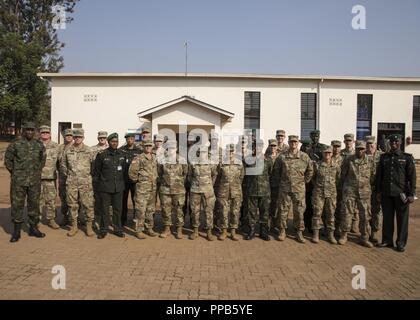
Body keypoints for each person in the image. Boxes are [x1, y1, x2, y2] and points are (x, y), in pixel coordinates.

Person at [5, 122, 46, 242]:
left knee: (34, 204)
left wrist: (36, 172)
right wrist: (16, 172)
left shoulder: (39, 145)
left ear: (35, 131)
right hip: (19, 181)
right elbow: (8, 160)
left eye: (32, 130)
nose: (29, 132)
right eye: (27, 130)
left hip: (34, 181)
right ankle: (16, 231)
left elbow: (42, 160)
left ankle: (33, 228)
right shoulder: (15, 144)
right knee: (17, 205)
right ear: (23, 130)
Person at [376, 134, 416, 252]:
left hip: (401, 194)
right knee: (387, 218)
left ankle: (401, 243)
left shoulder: (407, 158)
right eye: (392, 142)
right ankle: (387, 240)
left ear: (400, 143)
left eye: (396, 142)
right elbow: (380, 176)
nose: (393, 144)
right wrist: (378, 191)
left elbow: (412, 177)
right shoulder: (384, 157)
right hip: (387, 193)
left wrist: (411, 194)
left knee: (402, 219)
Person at [273, 135, 313, 243]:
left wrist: (304, 181)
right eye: (291, 142)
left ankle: (299, 232)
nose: (293, 144)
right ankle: (282, 230)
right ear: (289, 142)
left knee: (299, 211)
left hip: (299, 189)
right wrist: (280, 182)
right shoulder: (282, 156)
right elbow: (276, 171)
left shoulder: (304, 156)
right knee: (283, 210)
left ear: (298, 143)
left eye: (295, 142)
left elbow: (310, 170)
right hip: (285, 188)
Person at [338, 140, 375, 247]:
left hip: (364, 192)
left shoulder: (370, 161)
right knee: (347, 213)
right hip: (350, 191)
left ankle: (364, 237)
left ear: (365, 149)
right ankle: (344, 235)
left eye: (362, 149)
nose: (360, 151)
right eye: (358, 149)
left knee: (365, 215)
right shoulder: (349, 160)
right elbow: (343, 175)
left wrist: (366, 185)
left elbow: (373, 176)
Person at [61, 128, 95, 237]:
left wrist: (86, 176)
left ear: (83, 137)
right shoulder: (68, 150)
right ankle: (74, 226)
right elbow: (63, 166)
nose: (77, 139)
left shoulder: (89, 150)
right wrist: (71, 176)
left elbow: (94, 166)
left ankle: (89, 227)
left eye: (79, 137)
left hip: (85, 183)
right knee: (72, 205)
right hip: (71, 182)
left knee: (88, 204)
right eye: (75, 137)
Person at [94, 133, 126, 239]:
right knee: (105, 209)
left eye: (116, 141)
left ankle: (118, 229)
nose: (115, 143)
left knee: (118, 209)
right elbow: (96, 172)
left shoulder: (122, 154)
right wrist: (97, 188)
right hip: (105, 187)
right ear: (108, 142)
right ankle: (103, 229)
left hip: (118, 187)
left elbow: (124, 171)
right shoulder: (102, 155)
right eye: (112, 141)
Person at [157, 140, 188, 239]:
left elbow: (185, 173)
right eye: (169, 148)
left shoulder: (182, 160)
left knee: (179, 209)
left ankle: (179, 229)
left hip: (178, 190)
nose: (171, 150)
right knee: (166, 210)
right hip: (165, 190)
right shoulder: (162, 160)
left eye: (173, 148)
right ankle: (167, 228)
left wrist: (178, 182)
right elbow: (160, 173)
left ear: (176, 148)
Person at [129, 139, 158, 239]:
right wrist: (140, 181)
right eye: (146, 146)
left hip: (152, 188)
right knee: (140, 210)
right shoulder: (138, 158)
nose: (148, 147)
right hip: (142, 189)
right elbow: (132, 173)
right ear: (143, 147)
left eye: (150, 145)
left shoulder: (154, 157)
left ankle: (148, 228)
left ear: (152, 146)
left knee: (150, 209)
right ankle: (139, 230)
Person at [187, 145, 218, 241]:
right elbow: (190, 176)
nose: (202, 154)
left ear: (207, 153)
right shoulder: (193, 163)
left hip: (208, 191)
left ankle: (209, 232)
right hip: (195, 190)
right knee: (195, 211)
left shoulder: (211, 163)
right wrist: (195, 184)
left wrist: (209, 185)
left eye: (204, 152)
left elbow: (214, 175)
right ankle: (195, 231)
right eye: (200, 152)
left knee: (208, 211)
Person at [311, 146, 340, 244]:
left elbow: (339, 179)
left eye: (329, 153)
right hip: (319, 193)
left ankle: (330, 235)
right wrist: (318, 187)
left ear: (332, 154)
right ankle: (316, 234)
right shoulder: (317, 165)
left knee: (331, 214)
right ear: (322, 154)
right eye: (325, 153)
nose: (327, 155)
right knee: (317, 214)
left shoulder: (336, 166)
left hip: (331, 194)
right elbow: (312, 178)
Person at [244, 139, 272, 241]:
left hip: (264, 191)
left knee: (264, 212)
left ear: (262, 147)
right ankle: (251, 231)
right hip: (252, 190)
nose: (258, 148)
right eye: (256, 146)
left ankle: (263, 232)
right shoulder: (247, 159)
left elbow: (271, 174)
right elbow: (244, 174)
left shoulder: (268, 160)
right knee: (251, 212)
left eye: (260, 146)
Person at [215, 144, 244, 241]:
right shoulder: (221, 164)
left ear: (234, 152)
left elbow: (241, 177)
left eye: (232, 151)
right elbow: (217, 178)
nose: (230, 153)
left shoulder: (239, 163)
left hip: (236, 191)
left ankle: (233, 231)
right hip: (223, 191)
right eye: (228, 151)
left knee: (235, 211)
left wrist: (236, 186)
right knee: (223, 211)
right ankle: (224, 231)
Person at [38, 125, 60, 229]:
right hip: (37, 178)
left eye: (47, 132)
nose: (45, 134)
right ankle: (36, 220)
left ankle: (51, 220)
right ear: (40, 134)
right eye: (43, 133)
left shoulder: (56, 146)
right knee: (37, 200)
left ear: (50, 134)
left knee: (51, 200)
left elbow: (61, 162)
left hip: (51, 178)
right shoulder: (35, 145)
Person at [119, 132, 141, 226]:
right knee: (123, 202)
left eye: (131, 139)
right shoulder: (121, 150)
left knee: (136, 201)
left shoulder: (139, 151)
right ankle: (123, 220)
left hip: (134, 181)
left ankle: (135, 220)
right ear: (126, 140)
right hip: (123, 180)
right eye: (128, 139)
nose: (129, 140)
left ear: (134, 140)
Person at [365, 135, 383, 244]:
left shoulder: (382, 156)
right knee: (366, 211)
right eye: (368, 144)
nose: (370, 146)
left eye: (372, 144)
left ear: (375, 144)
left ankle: (374, 232)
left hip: (377, 189)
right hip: (365, 189)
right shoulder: (362, 156)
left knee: (376, 211)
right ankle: (366, 232)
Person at [341, 133, 358, 234]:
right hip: (344, 182)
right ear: (344, 142)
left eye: (350, 141)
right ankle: (343, 225)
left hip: (354, 184)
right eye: (347, 141)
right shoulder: (341, 153)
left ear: (353, 142)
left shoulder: (356, 154)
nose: (348, 142)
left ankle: (354, 225)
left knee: (355, 207)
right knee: (344, 206)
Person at [91, 131, 109, 229]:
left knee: (108, 202)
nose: (102, 139)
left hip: (107, 180)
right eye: (100, 137)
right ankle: (97, 220)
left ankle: (107, 221)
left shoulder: (111, 149)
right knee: (97, 201)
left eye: (104, 137)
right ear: (98, 138)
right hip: (96, 179)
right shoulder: (92, 149)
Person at [57, 128, 74, 226]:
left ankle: (74, 218)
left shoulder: (75, 147)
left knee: (74, 198)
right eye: (67, 135)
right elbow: (56, 162)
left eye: (70, 135)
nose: (68, 137)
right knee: (63, 198)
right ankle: (65, 217)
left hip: (72, 178)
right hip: (62, 179)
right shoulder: (60, 148)